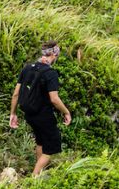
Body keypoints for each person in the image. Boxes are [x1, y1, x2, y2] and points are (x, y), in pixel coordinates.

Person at [9, 41, 72, 177]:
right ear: (54, 55)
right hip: (43, 115)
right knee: (50, 147)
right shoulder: (50, 73)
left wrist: (13, 113)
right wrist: (66, 112)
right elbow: (54, 99)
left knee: (40, 141)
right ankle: (34, 177)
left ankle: (38, 173)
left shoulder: (27, 68)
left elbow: (16, 94)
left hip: (29, 114)